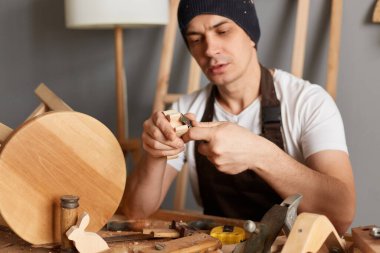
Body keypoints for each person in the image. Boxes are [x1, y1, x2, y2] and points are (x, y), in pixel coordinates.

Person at [122, 0, 355, 235]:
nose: (210, 49)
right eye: (195, 40)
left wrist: (259, 154)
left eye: (223, 31)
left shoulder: (308, 102)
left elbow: (341, 215)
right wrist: (155, 153)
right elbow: (135, 213)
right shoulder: (186, 109)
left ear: (251, 34)